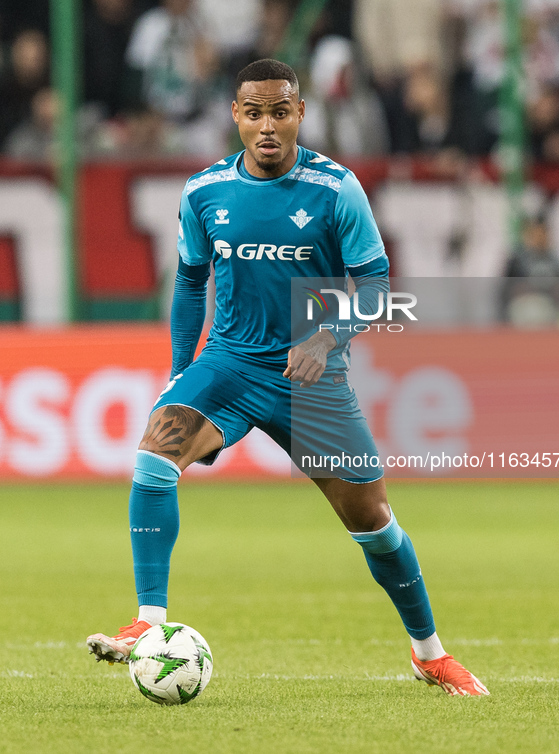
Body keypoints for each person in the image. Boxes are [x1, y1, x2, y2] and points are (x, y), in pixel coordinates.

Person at [86, 58, 489, 697]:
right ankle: (148, 621)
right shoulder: (203, 191)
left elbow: (378, 285)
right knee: (154, 457)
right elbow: (192, 282)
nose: (267, 125)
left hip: (313, 380)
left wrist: (327, 336)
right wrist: (179, 373)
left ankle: (429, 654)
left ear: (300, 113)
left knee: (375, 522)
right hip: (230, 363)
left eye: (280, 111)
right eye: (254, 112)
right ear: (236, 118)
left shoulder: (336, 189)